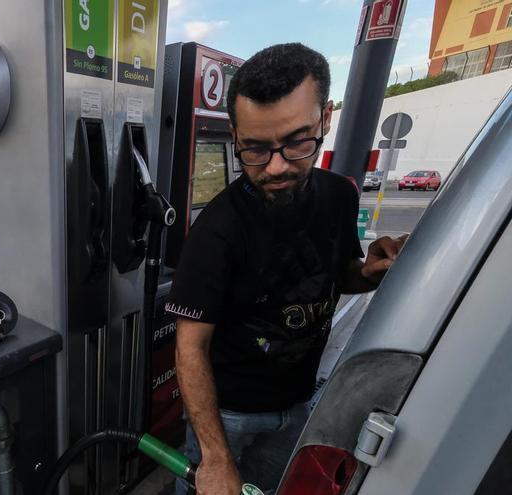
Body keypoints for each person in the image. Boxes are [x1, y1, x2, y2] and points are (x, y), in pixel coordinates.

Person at [168, 43, 407, 495]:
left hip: (300, 403)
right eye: (255, 150)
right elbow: (190, 349)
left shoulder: (340, 195)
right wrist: (216, 458)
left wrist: (368, 273)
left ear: (325, 119)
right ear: (235, 137)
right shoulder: (218, 230)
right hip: (228, 416)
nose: (276, 166)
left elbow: (339, 275)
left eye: (297, 142)